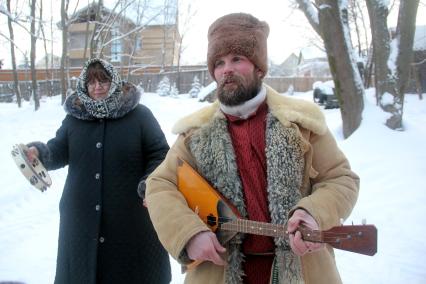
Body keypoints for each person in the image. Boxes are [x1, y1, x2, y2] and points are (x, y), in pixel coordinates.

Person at [145, 13, 360, 284]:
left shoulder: (302, 123)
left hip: (302, 270)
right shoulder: (195, 133)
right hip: (219, 270)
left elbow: (341, 179)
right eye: (219, 63)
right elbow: (159, 184)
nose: (226, 70)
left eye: (237, 59)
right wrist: (189, 233)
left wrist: (313, 212)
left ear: (259, 67)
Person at [25, 58, 171, 284]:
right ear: (84, 86)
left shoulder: (140, 115)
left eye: (103, 81)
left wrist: (150, 182)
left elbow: (160, 153)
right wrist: (39, 153)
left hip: (130, 217)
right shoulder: (74, 119)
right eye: (91, 82)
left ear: (114, 82)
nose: (97, 87)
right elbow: (58, 150)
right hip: (80, 217)